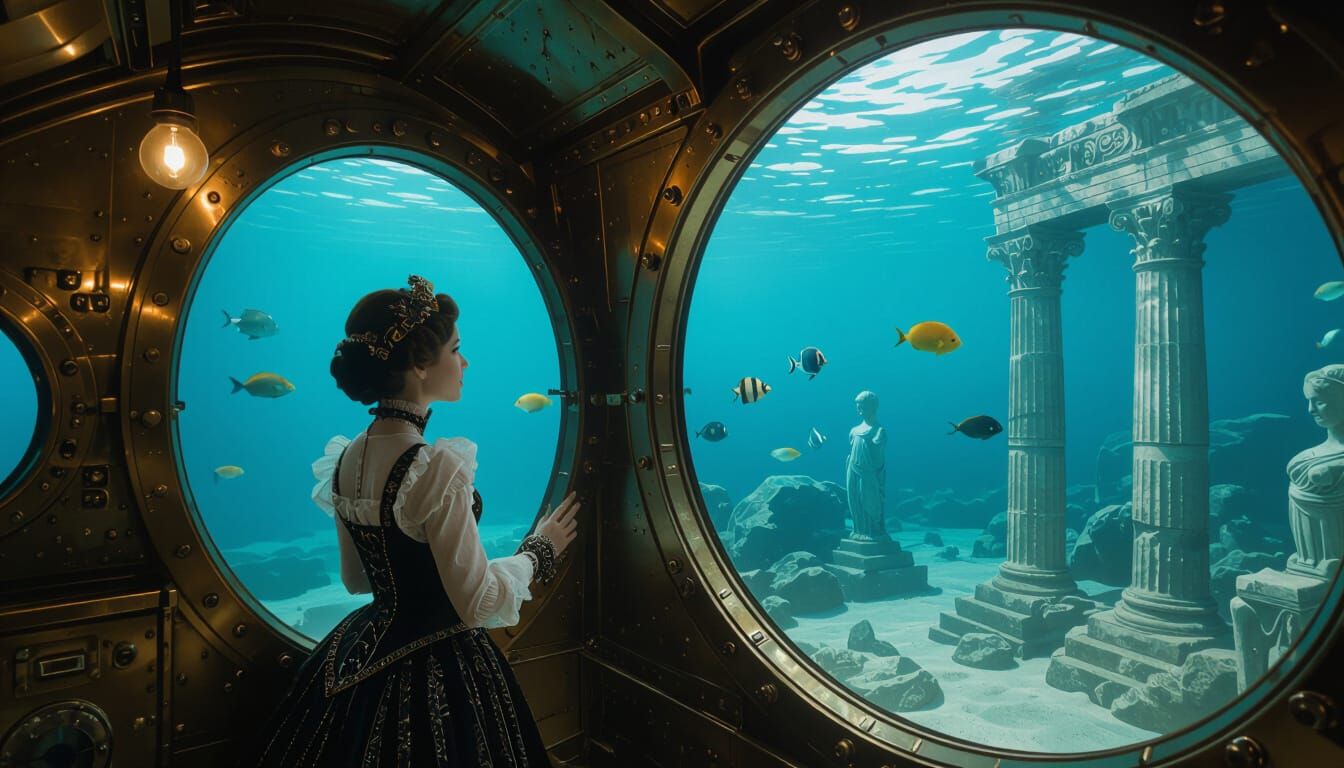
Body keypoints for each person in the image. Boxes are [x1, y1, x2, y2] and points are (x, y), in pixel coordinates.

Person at [245, 275, 580, 767]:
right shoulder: (437, 467)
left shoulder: (346, 457)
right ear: (421, 366)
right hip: (442, 669)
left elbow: (357, 580)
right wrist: (539, 550)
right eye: (456, 350)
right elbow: (478, 603)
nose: (465, 363)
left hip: (361, 658)